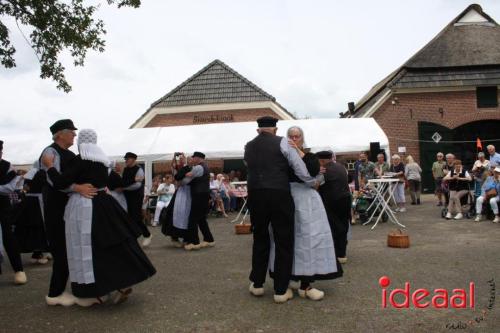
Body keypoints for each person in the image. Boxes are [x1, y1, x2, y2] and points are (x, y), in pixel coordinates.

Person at [42, 129, 156, 306]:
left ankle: (97, 290)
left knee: (88, 248)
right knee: (109, 244)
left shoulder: (81, 161)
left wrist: (49, 167)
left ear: (81, 142)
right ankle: (121, 282)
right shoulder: (103, 162)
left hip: (84, 206)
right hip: (105, 206)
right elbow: (116, 183)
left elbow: (59, 182)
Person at [244, 116, 317, 304]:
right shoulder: (283, 143)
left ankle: (257, 284)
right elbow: (300, 169)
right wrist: (312, 182)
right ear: (275, 130)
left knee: (260, 237)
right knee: (283, 240)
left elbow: (250, 167)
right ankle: (280, 290)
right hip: (279, 194)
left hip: (255, 195)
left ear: (258, 130)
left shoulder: (248, 146)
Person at [268, 128, 342, 301]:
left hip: (309, 200)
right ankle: (289, 278)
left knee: (311, 239)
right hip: (287, 198)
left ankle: (306, 283)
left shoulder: (309, 155)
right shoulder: (281, 155)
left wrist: (300, 152)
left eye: (297, 136)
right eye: (291, 136)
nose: (294, 139)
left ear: (302, 138)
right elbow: (310, 175)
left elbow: (315, 172)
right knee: (287, 240)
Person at [40, 119, 98, 306]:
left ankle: (76, 289)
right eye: (71, 131)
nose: (74, 134)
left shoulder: (70, 154)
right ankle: (55, 293)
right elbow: (55, 182)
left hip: (69, 208)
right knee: (62, 250)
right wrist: (78, 188)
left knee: (73, 248)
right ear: (60, 134)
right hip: (56, 208)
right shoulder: (50, 152)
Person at [316, 149, 351, 265]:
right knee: (343, 225)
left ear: (321, 161)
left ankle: (336, 253)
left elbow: (315, 186)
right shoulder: (340, 167)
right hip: (345, 199)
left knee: (334, 227)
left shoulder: (324, 170)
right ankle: (342, 253)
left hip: (332, 202)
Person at [0, 139, 27, 284]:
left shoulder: (7, 166)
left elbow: (10, 187)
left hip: (2, 206)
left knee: (8, 237)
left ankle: (18, 270)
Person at [14, 161, 51, 265]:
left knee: (29, 228)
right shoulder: (42, 174)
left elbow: (25, 188)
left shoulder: (29, 173)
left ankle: (37, 253)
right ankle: (42, 252)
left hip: (28, 202)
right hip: (39, 202)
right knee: (41, 227)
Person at [184, 152, 215, 250]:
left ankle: (194, 242)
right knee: (201, 219)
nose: (192, 159)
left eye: (193, 158)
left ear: (197, 158)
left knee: (192, 218)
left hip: (198, 195)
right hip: (204, 194)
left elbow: (186, 180)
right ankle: (209, 239)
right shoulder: (205, 167)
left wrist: (183, 175)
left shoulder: (198, 167)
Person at [122, 152, 152, 247]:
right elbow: (124, 182)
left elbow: (137, 185)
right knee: (130, 217)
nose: (126, 160)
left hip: (136, 197)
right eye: (125, 159)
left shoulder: (139, 170)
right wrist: (132, 180)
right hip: (127, 196)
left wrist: (124, 187)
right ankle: (133, 239)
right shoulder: (126, 169)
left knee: (136, 217)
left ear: (133, 159)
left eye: (127, 158)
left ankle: (147, 235)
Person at [161, 157, 193, 247]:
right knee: (176, 214)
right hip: (181, 194)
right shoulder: (184, 168)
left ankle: (186, 237)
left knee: (186, 215)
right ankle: (174, 236)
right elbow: (177, 177)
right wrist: (186, 173)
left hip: (189, 194)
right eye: (190, 159)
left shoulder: (195, 169)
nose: (191, 161)